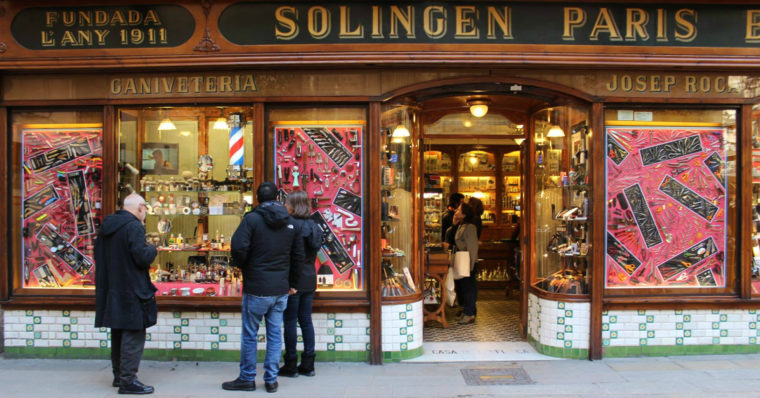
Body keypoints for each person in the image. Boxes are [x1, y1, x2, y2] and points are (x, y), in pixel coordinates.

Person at [223, 182, 305, 393]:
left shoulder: (251, 220)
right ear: (278, 197)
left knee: (250, 334)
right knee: (275, 334)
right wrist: (293, 284)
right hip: (280, 289)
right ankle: (271, 379)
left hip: (256, 288)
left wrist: (246, 266)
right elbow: (298, 257)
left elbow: (238, 247)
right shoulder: (291, 223)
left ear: (257, 197)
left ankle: (247, 378)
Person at [94, 193, 158, 395]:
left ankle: (119, 375)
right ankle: (128, 381)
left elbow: (97, 254)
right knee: (133, 334)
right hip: (132, 289)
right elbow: (141, 257)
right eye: (145, 208)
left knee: (118, 333)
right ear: (140, 207)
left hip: (112, 288)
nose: (146, 212)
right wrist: (153, 249)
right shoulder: (134, 227)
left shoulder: (108, 226)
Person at [279, 190, 324, 378]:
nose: (285, 206)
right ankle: (308, 364)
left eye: (287, 203)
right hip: (310, 278)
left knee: (290, 321)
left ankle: (290, 364)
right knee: (306, 320)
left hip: (293, 280)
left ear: (294, 205)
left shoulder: (289, 226)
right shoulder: (315, 226)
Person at [454, 202, 479, 324]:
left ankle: (469, 314)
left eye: (458, 210)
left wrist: (471, 266)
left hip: (468, 262)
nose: (456, 211)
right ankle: (468, 311)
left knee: (469, 288)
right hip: (463, 261)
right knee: (464, 288)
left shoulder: (470, 227)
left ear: (464, 214)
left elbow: (472, 247)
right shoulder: (461, 225)